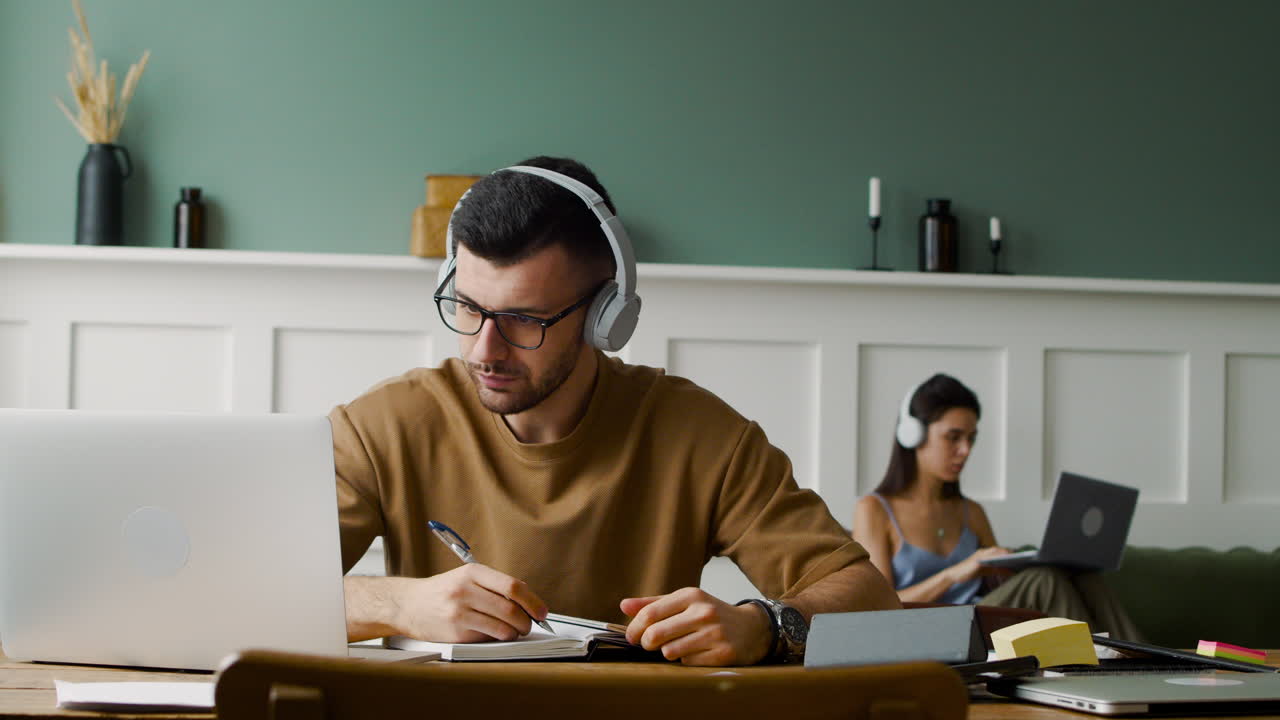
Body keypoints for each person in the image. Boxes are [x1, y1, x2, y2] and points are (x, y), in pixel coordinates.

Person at [333, 155, 900, 667]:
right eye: (466, 307)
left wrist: (763, 626)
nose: (485, 348)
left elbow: (870, 599)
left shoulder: (702, 436)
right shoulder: (382, 424)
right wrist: (400, 603)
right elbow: (250, 588)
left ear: (607, 314)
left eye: (524, 319)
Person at [852, 373, 1143, 640]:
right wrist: (955, 573)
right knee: (1043, 582)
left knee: (1080, 576)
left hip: (984, 625)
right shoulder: (874, 510)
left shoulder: (972, 512)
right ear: (913, 434)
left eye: (971, 439)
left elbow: (1004, 587)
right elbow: (880, 607)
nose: (964, 450)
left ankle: (1141, 660)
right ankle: (1104, 667)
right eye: (953, 437)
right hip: (927, 632)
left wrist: (1033, 561)